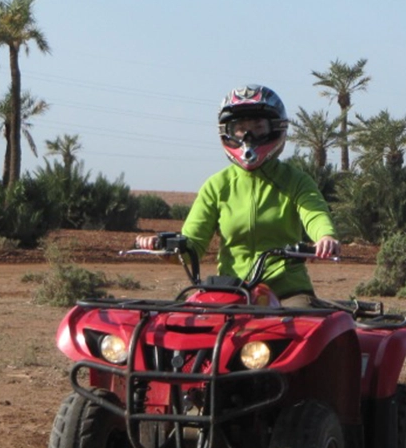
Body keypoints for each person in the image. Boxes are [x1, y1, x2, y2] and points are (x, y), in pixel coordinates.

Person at [134, 84, 340, 306]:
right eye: (240, 128)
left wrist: (325, 237)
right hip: (230, 290)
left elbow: (315, 214)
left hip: (286, 291)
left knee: (302, 324)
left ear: (275, 128)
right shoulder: (217, 186)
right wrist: (162, 246)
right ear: (227, 132)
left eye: (258, 127)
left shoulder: (295, 181)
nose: (248, 136)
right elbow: (192, 243)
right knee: (187, 320)